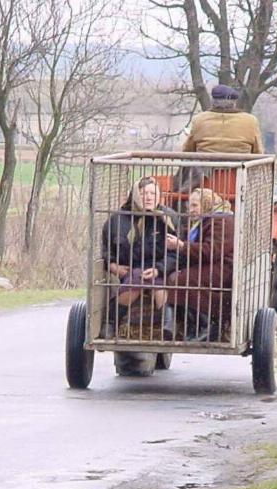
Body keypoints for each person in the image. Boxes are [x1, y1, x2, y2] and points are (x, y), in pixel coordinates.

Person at [101, 177, 177, 338]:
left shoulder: (168, 218)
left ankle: (168, 325)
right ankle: (111, 322)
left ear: (159, 196)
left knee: (158, 284)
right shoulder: (117, 219)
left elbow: (176, 253)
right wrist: (114, 266)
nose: (148, 197)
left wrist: (159, 269)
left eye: (153, 193)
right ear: (134, 195)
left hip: (159, 267)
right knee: (136, 279)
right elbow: (107, 250)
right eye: (143, 193)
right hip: (130, 267)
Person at [166, 188, 234, 341]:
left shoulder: (222, 220)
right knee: (176, 277)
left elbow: (212, 250)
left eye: (195, 205)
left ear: (207, 204)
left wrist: (181, 246)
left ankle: (207, 324)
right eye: (189, 206)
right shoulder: (206, 220)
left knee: (184, 280)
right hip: (210, 264)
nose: (191, 210)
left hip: (223, 267)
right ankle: (189, 325)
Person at [182, 85, 264, 154]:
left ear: (213, 101)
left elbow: (188, 149)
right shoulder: (250, 121)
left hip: (206, 170)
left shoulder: (199, 120)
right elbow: (258, 151)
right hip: (239, 170)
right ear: (234, 103)